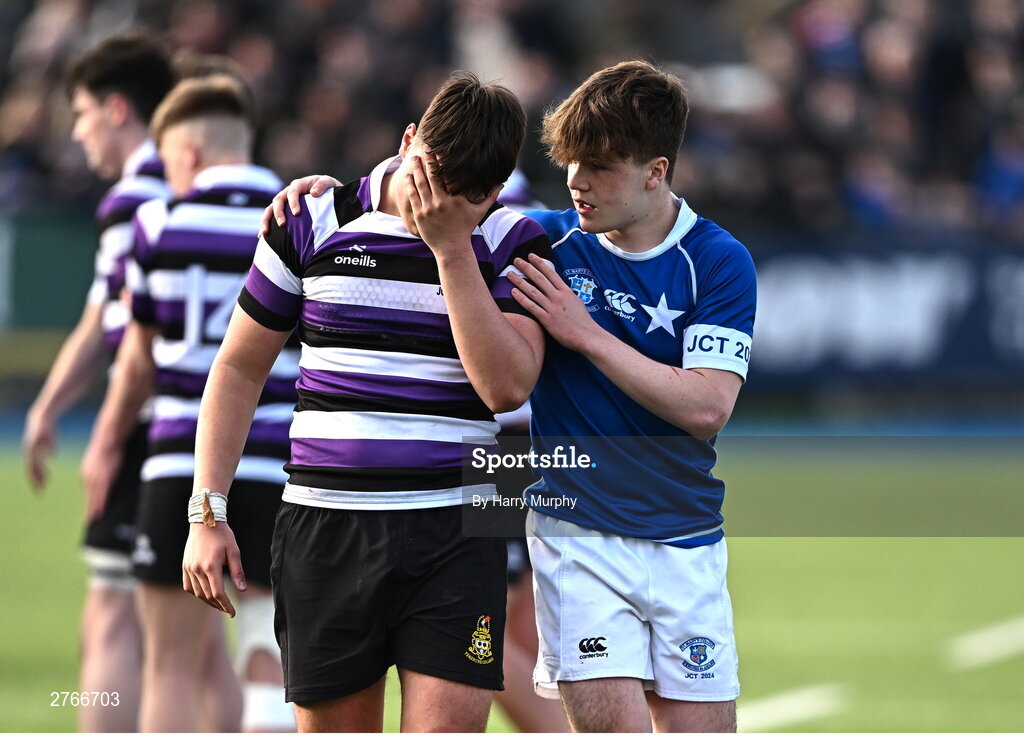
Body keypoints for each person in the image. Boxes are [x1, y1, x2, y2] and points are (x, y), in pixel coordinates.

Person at [267, 59, 756, 733]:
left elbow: (707, 408)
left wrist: (584, 336)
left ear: (656, 171)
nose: (579, 183)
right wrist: (336, 192)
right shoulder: (537, 237)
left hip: (685, 540)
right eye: (571, 164)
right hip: (574, 535)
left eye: (602, 167)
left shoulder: (719, 260)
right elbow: (441, 196)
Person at [182, 71, 551, 732]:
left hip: (456, 529)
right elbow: (237, 369)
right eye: (425, 174)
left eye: (458, 195)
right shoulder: (309, 220)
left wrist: (451, 252)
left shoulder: (507, 242)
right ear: (408, 141)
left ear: (493, 193)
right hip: (327, 528)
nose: (432, 200)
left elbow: (507, 388)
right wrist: (206, 513)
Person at [83, 74, 297, 732]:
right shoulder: (302, 216)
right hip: (280, 461)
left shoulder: (158, 222)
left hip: (181, 458)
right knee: (270, 650)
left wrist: (109, 439)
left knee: (169, 665)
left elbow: (137, 363)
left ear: (189, 153)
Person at [22, 34, 174, 733]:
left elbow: (131, 337)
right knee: (190, 645)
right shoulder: (192, 182)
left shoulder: (135, 198)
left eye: (80, 113)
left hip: (152, 425)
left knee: (113, 616)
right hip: (212, 430)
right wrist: (51, 405)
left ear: (117, 110)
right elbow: (98, 314)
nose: (76, 131)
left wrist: (105, 435)